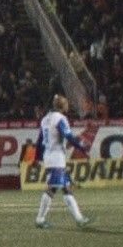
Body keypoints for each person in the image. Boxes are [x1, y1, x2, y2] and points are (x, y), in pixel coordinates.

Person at [32, 95, 89, 229]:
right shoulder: (60, 119)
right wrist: (81, 147)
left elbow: (40, 141)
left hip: (49, 156)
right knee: (52, 188)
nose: (68, 106)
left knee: (65, 187)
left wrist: (37, 158)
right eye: (66, 104)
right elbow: (68, 135)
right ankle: (40, 219)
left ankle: (79, 219)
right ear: (62, 106)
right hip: (56, 157)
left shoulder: (45, 118)